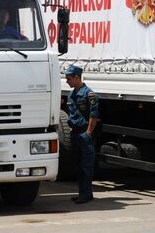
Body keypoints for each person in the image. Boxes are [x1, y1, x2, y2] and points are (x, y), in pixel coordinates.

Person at [63, 64, 99, 204]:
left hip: (85, 134)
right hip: (75, 133)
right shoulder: (71, 94)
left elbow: (93, 115)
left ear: (77, 77)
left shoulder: (89, 94)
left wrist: (88, 133)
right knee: (77, 165)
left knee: (86, 166)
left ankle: (86, 194)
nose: (67, 81)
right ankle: (82, 193)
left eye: (69, 78)